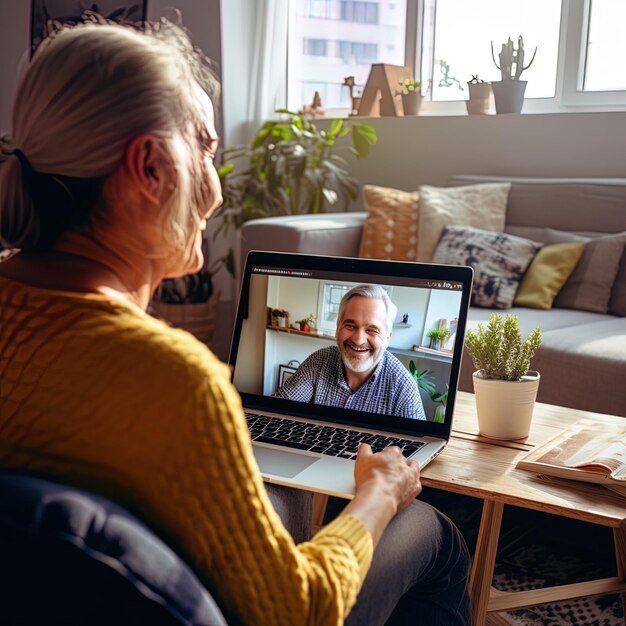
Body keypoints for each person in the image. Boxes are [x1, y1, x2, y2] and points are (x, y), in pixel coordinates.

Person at [0, 16, 470, 626]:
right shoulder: (174, 380)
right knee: (434, 534)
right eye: (207, 150)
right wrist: (378, 493)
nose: (218, 192)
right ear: (149, 168)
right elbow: (296, 611)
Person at [274, 284, 427, 420]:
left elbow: (414, 447)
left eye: (372, 330)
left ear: (387, 338)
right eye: (350, 326)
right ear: (337, 329)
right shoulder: (318, 362)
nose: (359, 340)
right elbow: (276, 412)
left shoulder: (404, 388)